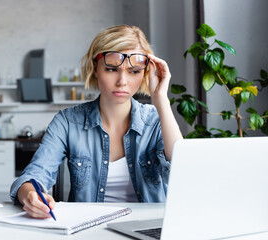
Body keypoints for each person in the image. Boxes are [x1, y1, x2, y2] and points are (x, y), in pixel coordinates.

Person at [10, 25, 183, 219]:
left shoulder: (156, 119)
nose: (122, 81)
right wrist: (31, 196)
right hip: (88, 228)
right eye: (111, 69)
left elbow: (182, 175)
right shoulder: (67, 122)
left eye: (134, 71)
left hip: (147, 227)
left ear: (145, 72)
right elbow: (33, 176)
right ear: (95, 69)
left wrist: (161, 99)